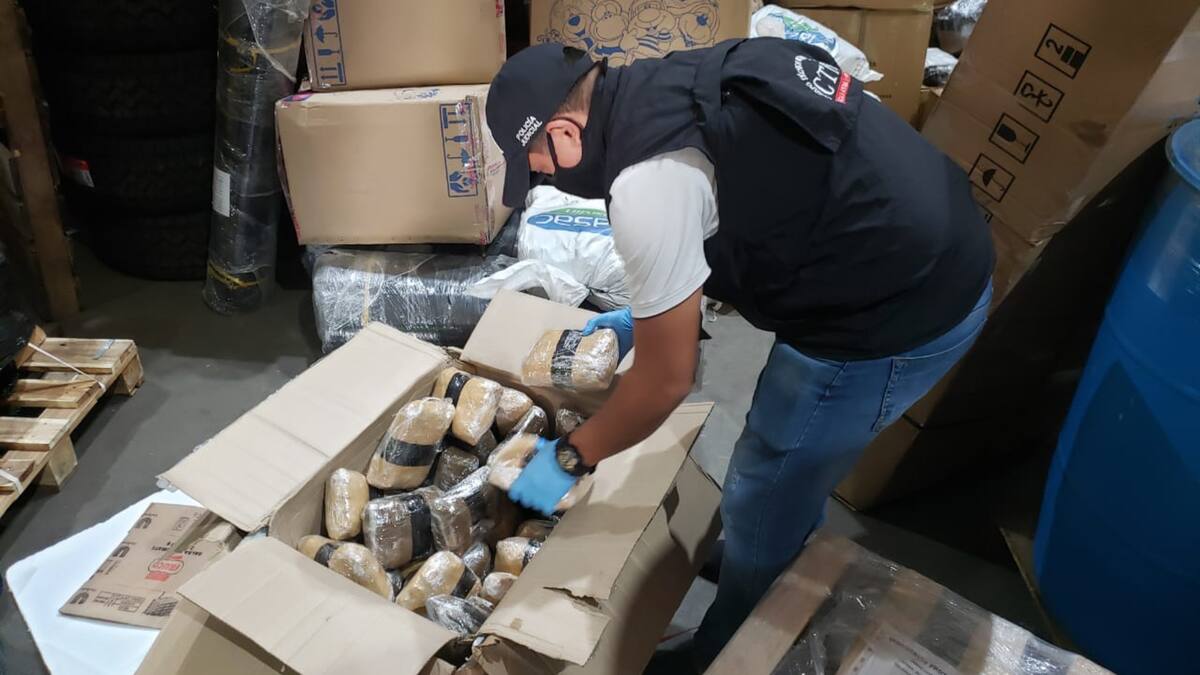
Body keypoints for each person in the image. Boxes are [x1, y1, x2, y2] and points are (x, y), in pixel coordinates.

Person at [487, 37, 995, 673]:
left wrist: (567, 458)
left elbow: (666, 383)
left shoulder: (647, 184)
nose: (543, 177)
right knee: (773, 495)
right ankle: (769, 553)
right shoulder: (663, 86)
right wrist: (642, 317)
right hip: (929, 228)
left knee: (767, 482)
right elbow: (736, 204)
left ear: (565, 133)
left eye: (537, 165)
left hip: (898, 308)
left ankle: (727, 647)